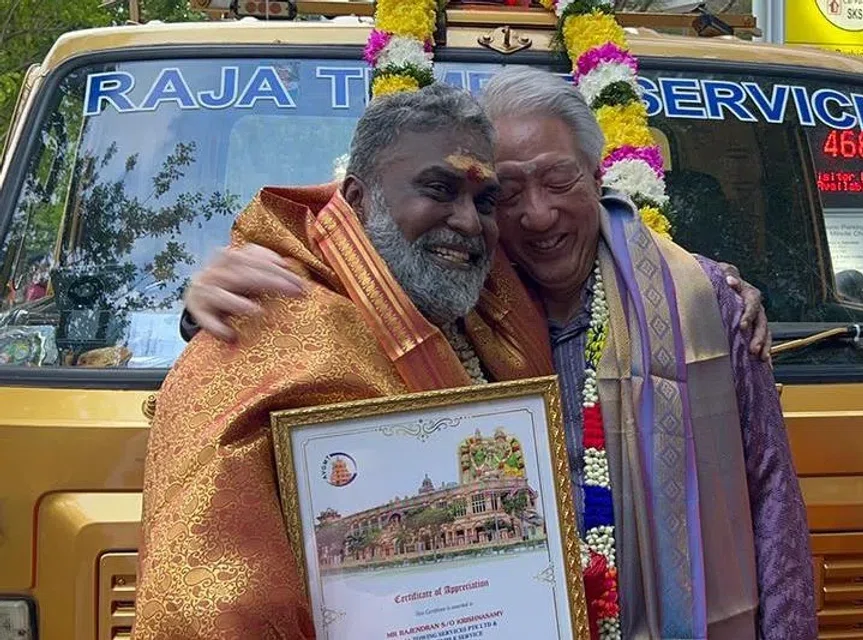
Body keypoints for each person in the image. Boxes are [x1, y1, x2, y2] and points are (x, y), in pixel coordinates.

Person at [177, 67, 817, 639]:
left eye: (559, 180)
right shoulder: (460, 296)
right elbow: (352, 233)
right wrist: (214, 296)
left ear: (599, 179)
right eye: (506, 194)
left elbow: (774, 509)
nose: (537, 216)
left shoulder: (700, 303)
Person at [133, 84, 555, 639]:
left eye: (483, 201)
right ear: (356, 199)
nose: (470, 223)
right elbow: (210, 604)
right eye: (438, 189)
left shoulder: (496, 310)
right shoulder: (260, 331)